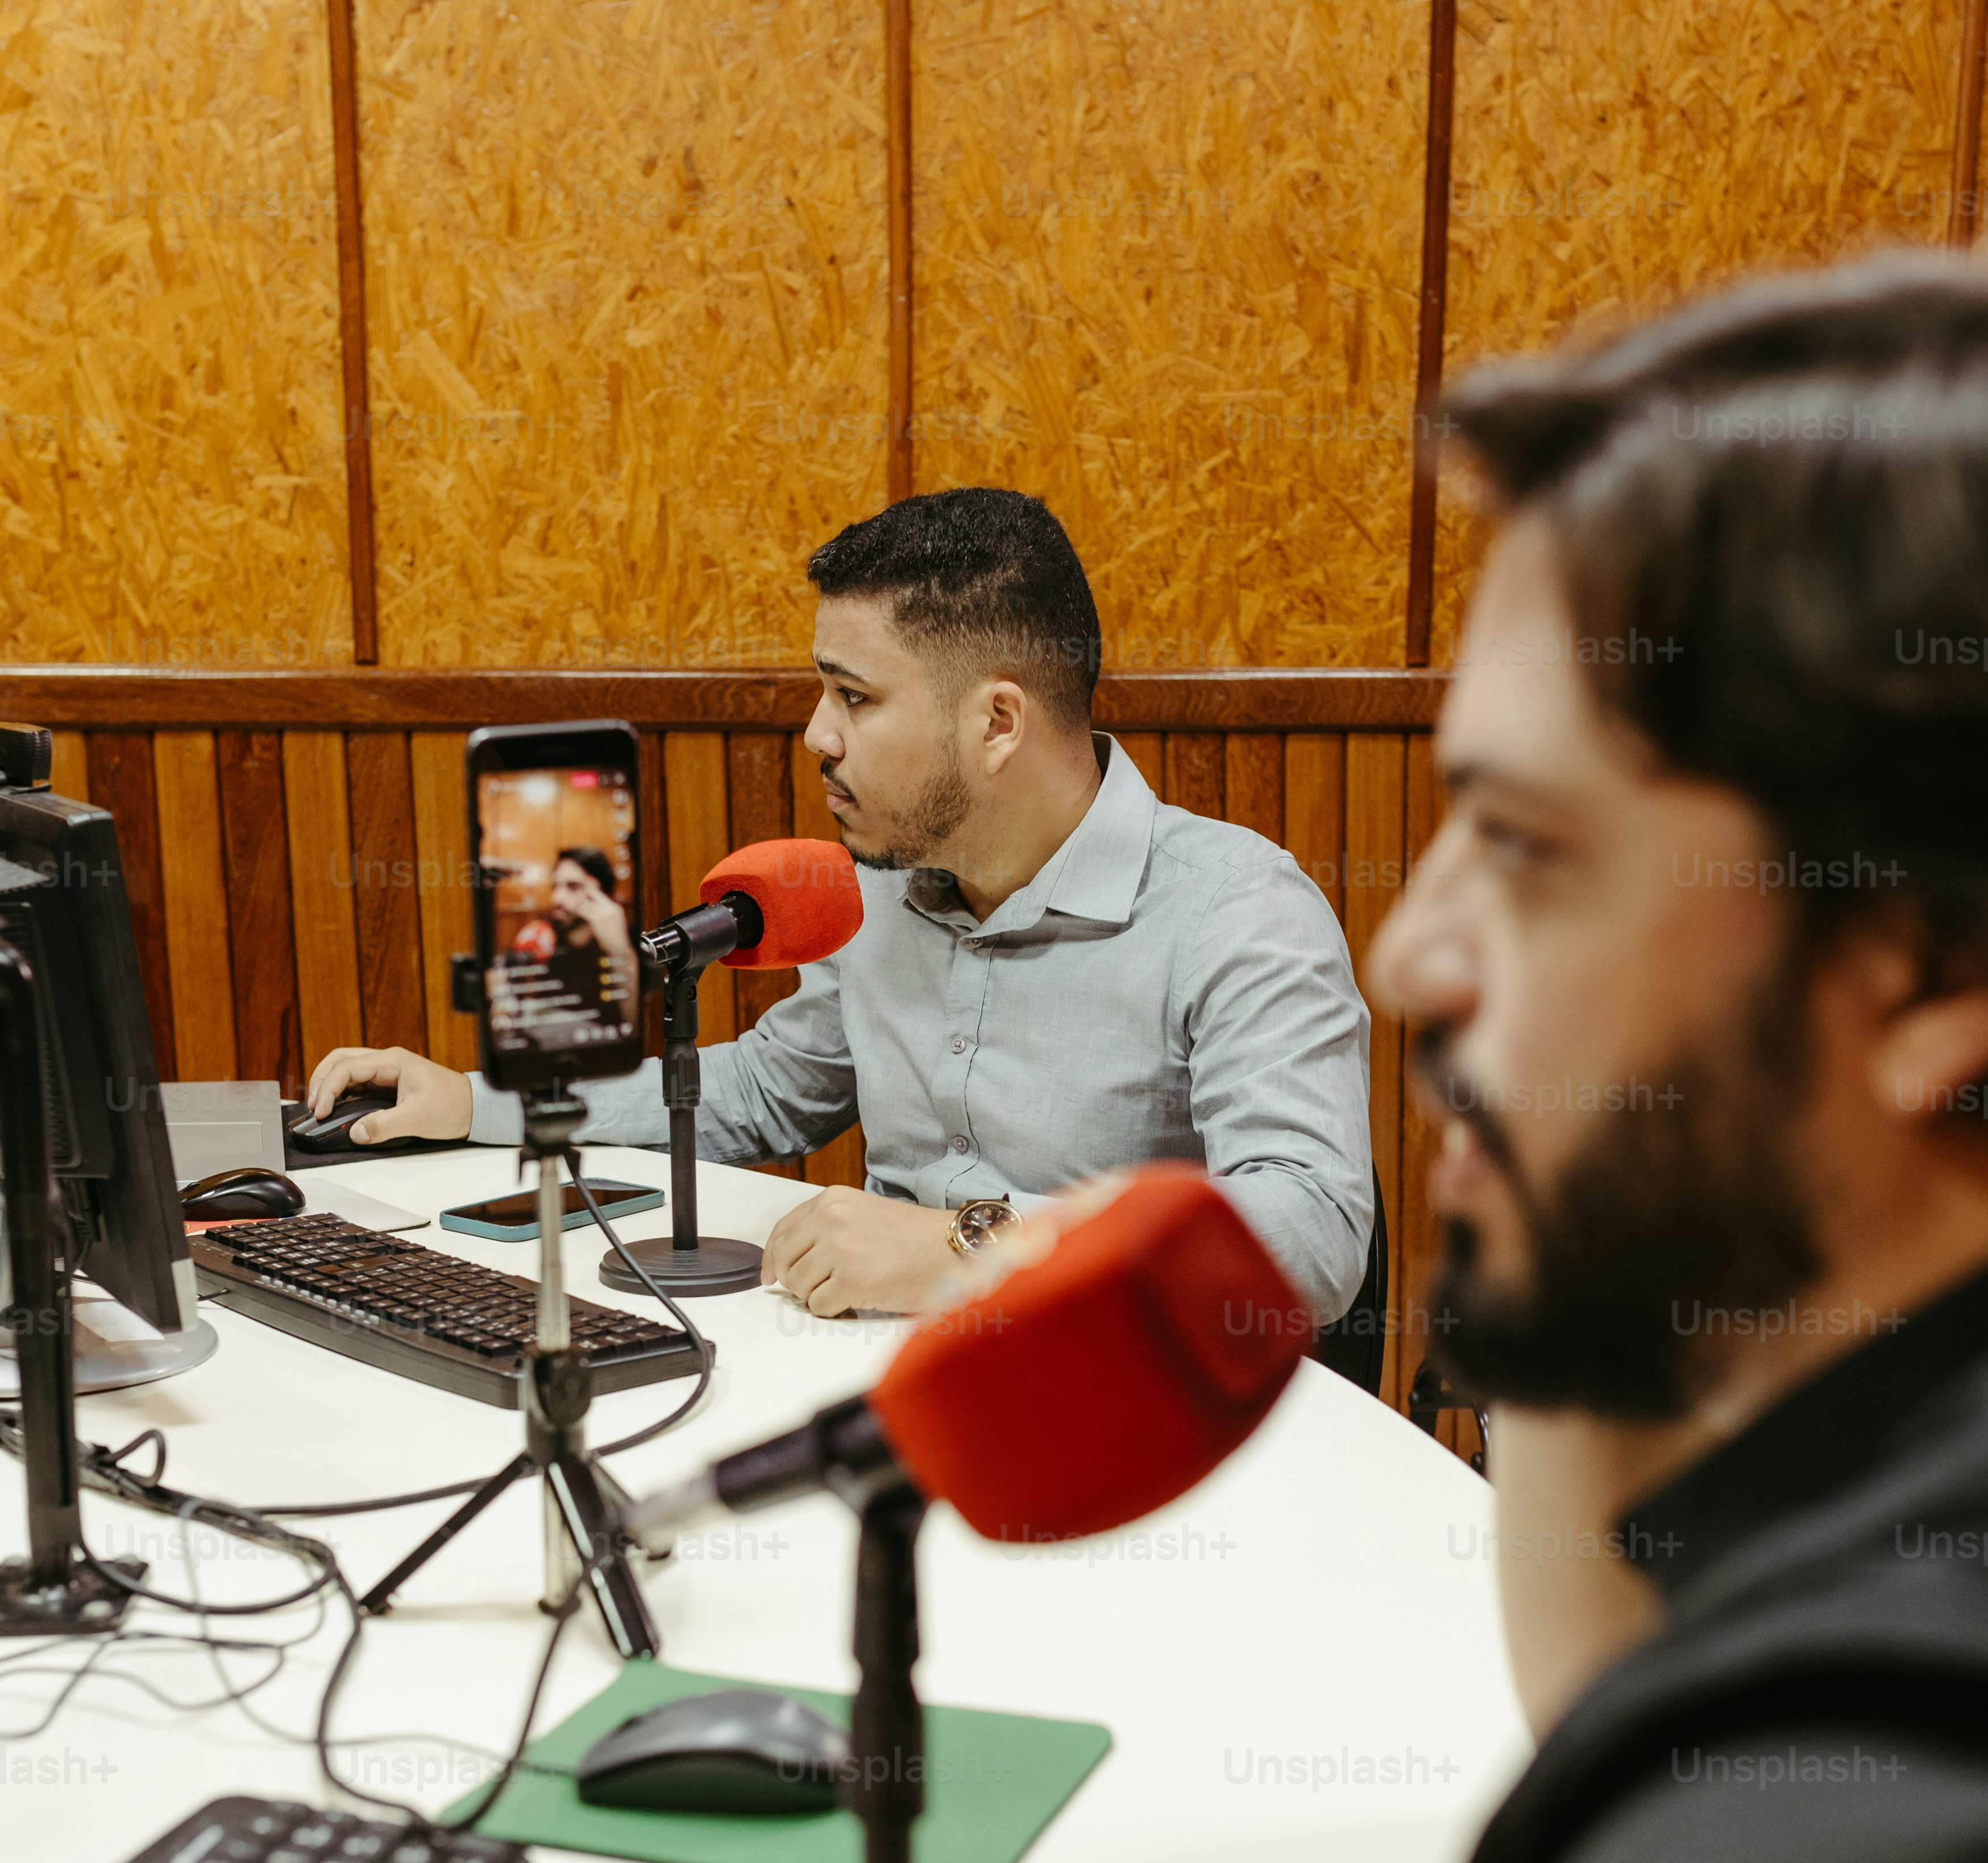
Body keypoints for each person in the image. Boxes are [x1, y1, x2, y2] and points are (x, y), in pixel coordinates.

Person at [417, 250, 1988, 1863]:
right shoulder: (891, 924)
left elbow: (1305, 1244)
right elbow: (732, 1123)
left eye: (1527, 847)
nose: (1411, 956)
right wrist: (502, 1098)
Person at [303, 488, 1373, 1322]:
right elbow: (765, 1089)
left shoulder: (1239, 912)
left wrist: (974, 1245)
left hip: (1129, 1424)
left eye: (854, 698)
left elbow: (1312, 1237)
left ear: (997, 721)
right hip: (883, 1391)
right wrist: (480, 1103)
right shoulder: (880, 889)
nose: (817, 736)